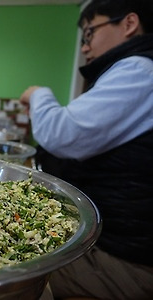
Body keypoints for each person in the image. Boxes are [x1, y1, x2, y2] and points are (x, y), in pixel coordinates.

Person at [19, 0, 153, 299]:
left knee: (17, 268)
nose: (84, 47)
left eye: (89, 33)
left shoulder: (140, 70)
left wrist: (40, 94)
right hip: (119, 240)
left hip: (122, 257)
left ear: (129, 24)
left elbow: (60, 133)